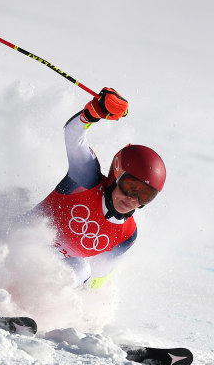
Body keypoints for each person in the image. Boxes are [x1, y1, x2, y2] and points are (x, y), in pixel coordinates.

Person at [34, 88, 166, 289]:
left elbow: (98, 276)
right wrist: (94, 112)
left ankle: (30, 308)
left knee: (81, 272)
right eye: (130, 186)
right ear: (116, 173)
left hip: (46, 269)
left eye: (144, 196)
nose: (133, 199)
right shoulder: (85, 178)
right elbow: (73, 135)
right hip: (21, 239)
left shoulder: (127, 235)